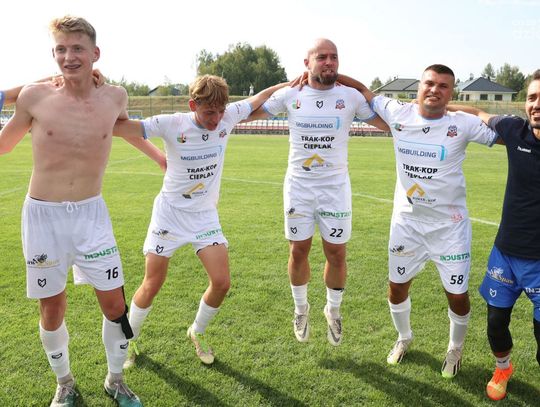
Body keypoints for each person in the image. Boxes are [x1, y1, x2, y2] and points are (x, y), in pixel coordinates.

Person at [0, 16, 165, 407]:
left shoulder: (115, 96)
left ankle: (115, 380)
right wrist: (28, 85)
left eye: (77, 48)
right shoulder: (35, 97)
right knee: (52, 306)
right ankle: (65, 382)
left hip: (92, 216)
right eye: (61, 49)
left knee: (115, 304)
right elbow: (4, 145)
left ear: (95, 53)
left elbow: (122, 129)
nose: (68, 56)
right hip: (43, 217)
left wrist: (160, 157)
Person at [113, 75, 289, 366]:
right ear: (193, 105)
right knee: (152, 282)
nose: (216, 119)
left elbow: (259, 97)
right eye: (209, 112)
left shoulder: (227, 116)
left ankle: (197, 331)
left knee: (221, 282)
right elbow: (119, 127)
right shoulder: (171, 123)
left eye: (220, 111)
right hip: (169, 215)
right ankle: (129, 339)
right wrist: (111, 100)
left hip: (205, 216)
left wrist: (290, 84)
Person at [336, 65, 498, 377]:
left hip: (449, 228)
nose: (434, 90)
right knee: (396, 288)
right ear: (419, 87)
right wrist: (328, 75)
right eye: (429, 83)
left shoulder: (462, 124)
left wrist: (473, 110)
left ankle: (455, 348)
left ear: (451, 93)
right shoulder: (398, 113)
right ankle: (404, 337)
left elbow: (509, 136)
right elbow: (364, 91)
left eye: (443, 86)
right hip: (407, 225)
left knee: (457, 294)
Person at [248, 38, 388, 346]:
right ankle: (301, 309)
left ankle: (333, 310)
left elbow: (388, 123)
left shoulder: (350, 97)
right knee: (298, 250)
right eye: (322, 57)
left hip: (335, 189)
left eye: (334, 57)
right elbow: (249, 112)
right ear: (307, 63)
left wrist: (357, 84)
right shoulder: (291, 95)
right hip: (299, 187)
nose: (329, 62)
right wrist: (283, 84)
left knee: (336, 253)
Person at [447, 69, 540, 400]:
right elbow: (476, 112)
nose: (536, 104)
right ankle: (503, 368)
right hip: (506, 254)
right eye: (532, 97)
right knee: (496, 323)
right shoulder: (515, 130)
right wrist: (434, 104)